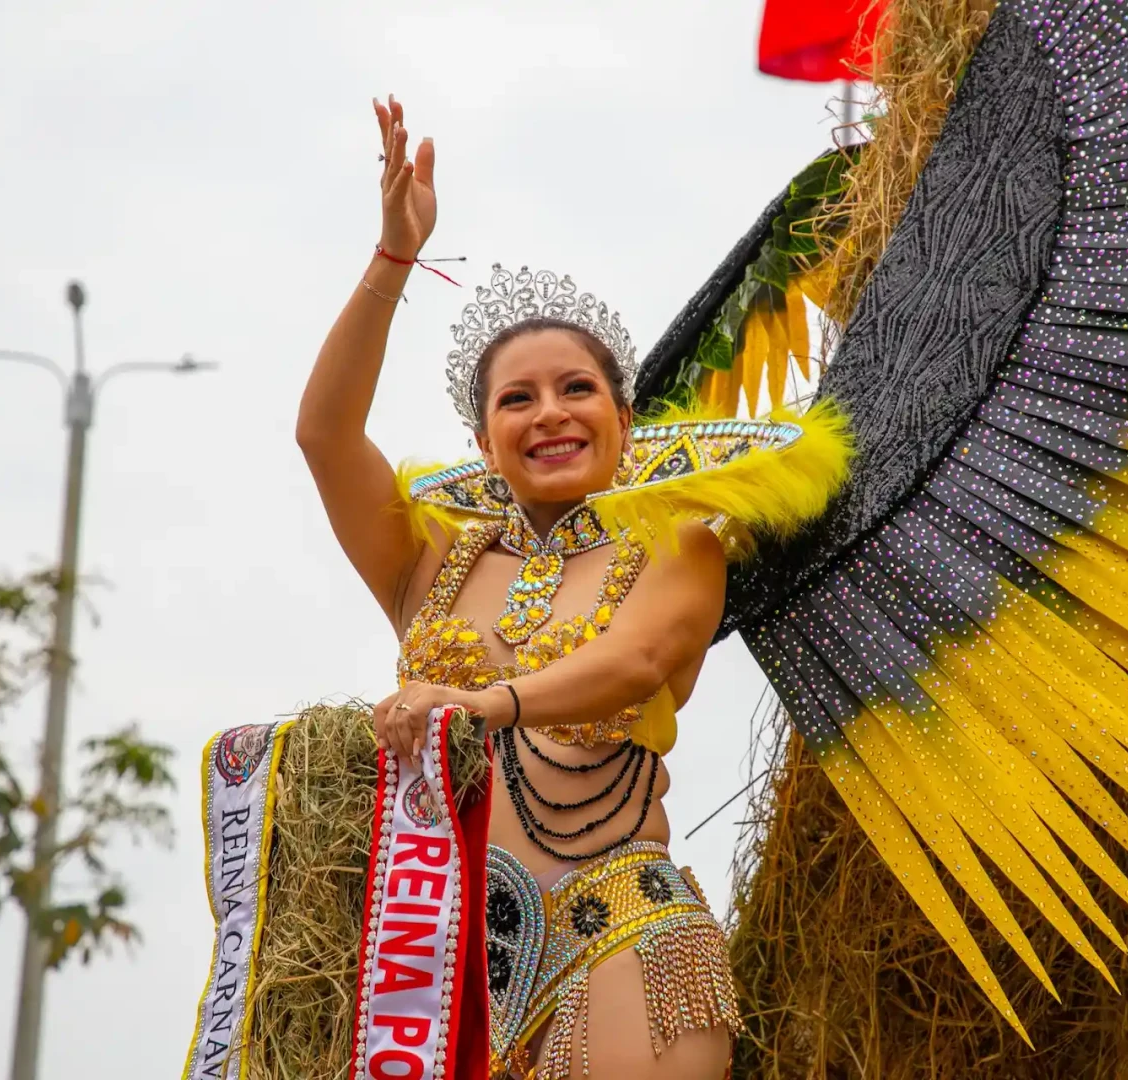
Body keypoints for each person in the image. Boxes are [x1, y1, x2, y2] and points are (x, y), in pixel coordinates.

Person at [296, 95, 848, 1079]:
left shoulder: (676, 539)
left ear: (624, 421)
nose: (549, 413)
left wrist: (481, 702)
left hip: (621, 946)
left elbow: (643, 658)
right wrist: (392, 261)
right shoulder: (432, 562)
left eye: (577, 389)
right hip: (438, 978)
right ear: (483, 441)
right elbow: (324, 437)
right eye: (518, 398)